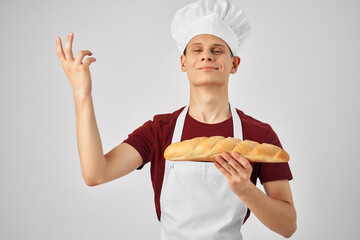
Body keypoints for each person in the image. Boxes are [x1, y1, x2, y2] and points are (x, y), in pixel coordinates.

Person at [56, 0, 297, 239]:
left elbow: (288, 226)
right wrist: (82, 94)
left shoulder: (259, 136)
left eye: (217, 50)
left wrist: (246, 190)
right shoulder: (159, 131)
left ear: (234, 64)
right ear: (184, 62)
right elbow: (96, 173)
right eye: (197, 49)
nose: (207, 56)